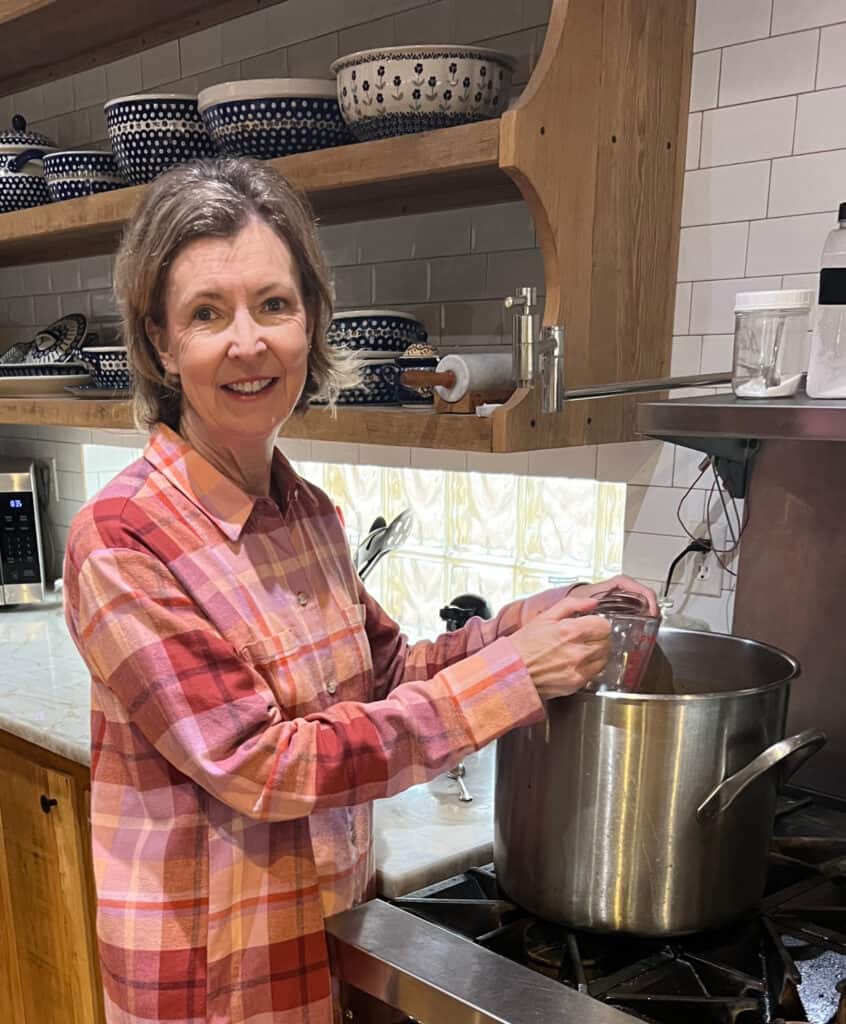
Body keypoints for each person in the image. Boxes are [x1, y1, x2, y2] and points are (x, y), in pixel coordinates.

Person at [63, 157, 657, 1024]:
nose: (248, 342)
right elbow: (264, 765)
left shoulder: (306, 512)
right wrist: (514, 679)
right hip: (211, 987)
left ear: (311, 320)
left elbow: (388, 674)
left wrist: (517, 627)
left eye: (274, 304)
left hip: (326, 947)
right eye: (206, 314)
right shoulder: (123, 540)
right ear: (159, 342)